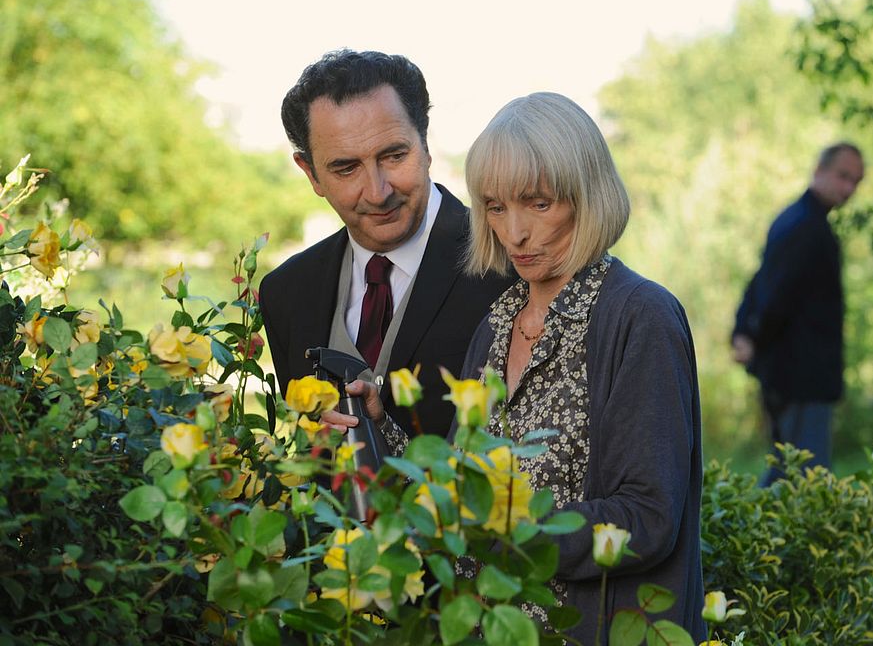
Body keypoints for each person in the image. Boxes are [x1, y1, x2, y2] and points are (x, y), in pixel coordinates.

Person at [337, 92, 706, 643]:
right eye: (494, 207)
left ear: (587, 197)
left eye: (538, 203)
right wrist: (379, 428)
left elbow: (648, 518)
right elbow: (461, 490)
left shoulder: (639, 316)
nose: (514, 233)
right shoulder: (498, 322)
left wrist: (506, 531)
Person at [260, 50, 512, 440]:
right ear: (310, 174)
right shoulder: (285, 293)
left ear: (425, 145)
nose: (378, 193)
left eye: (394, 156)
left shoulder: (510, 263)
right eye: (346, 168)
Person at [732, 142, 865, 486]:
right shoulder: (806, 227)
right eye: (843, 176)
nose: (848, 188)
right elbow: (774, 294)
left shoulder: (799, 220)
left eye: (855, 181)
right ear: (819, 170)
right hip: (799, 376)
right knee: (803, 478)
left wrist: (744, 331)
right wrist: (751, 336)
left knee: (790, 472)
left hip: (796, 373)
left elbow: (762, 282)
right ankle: (735, 520)